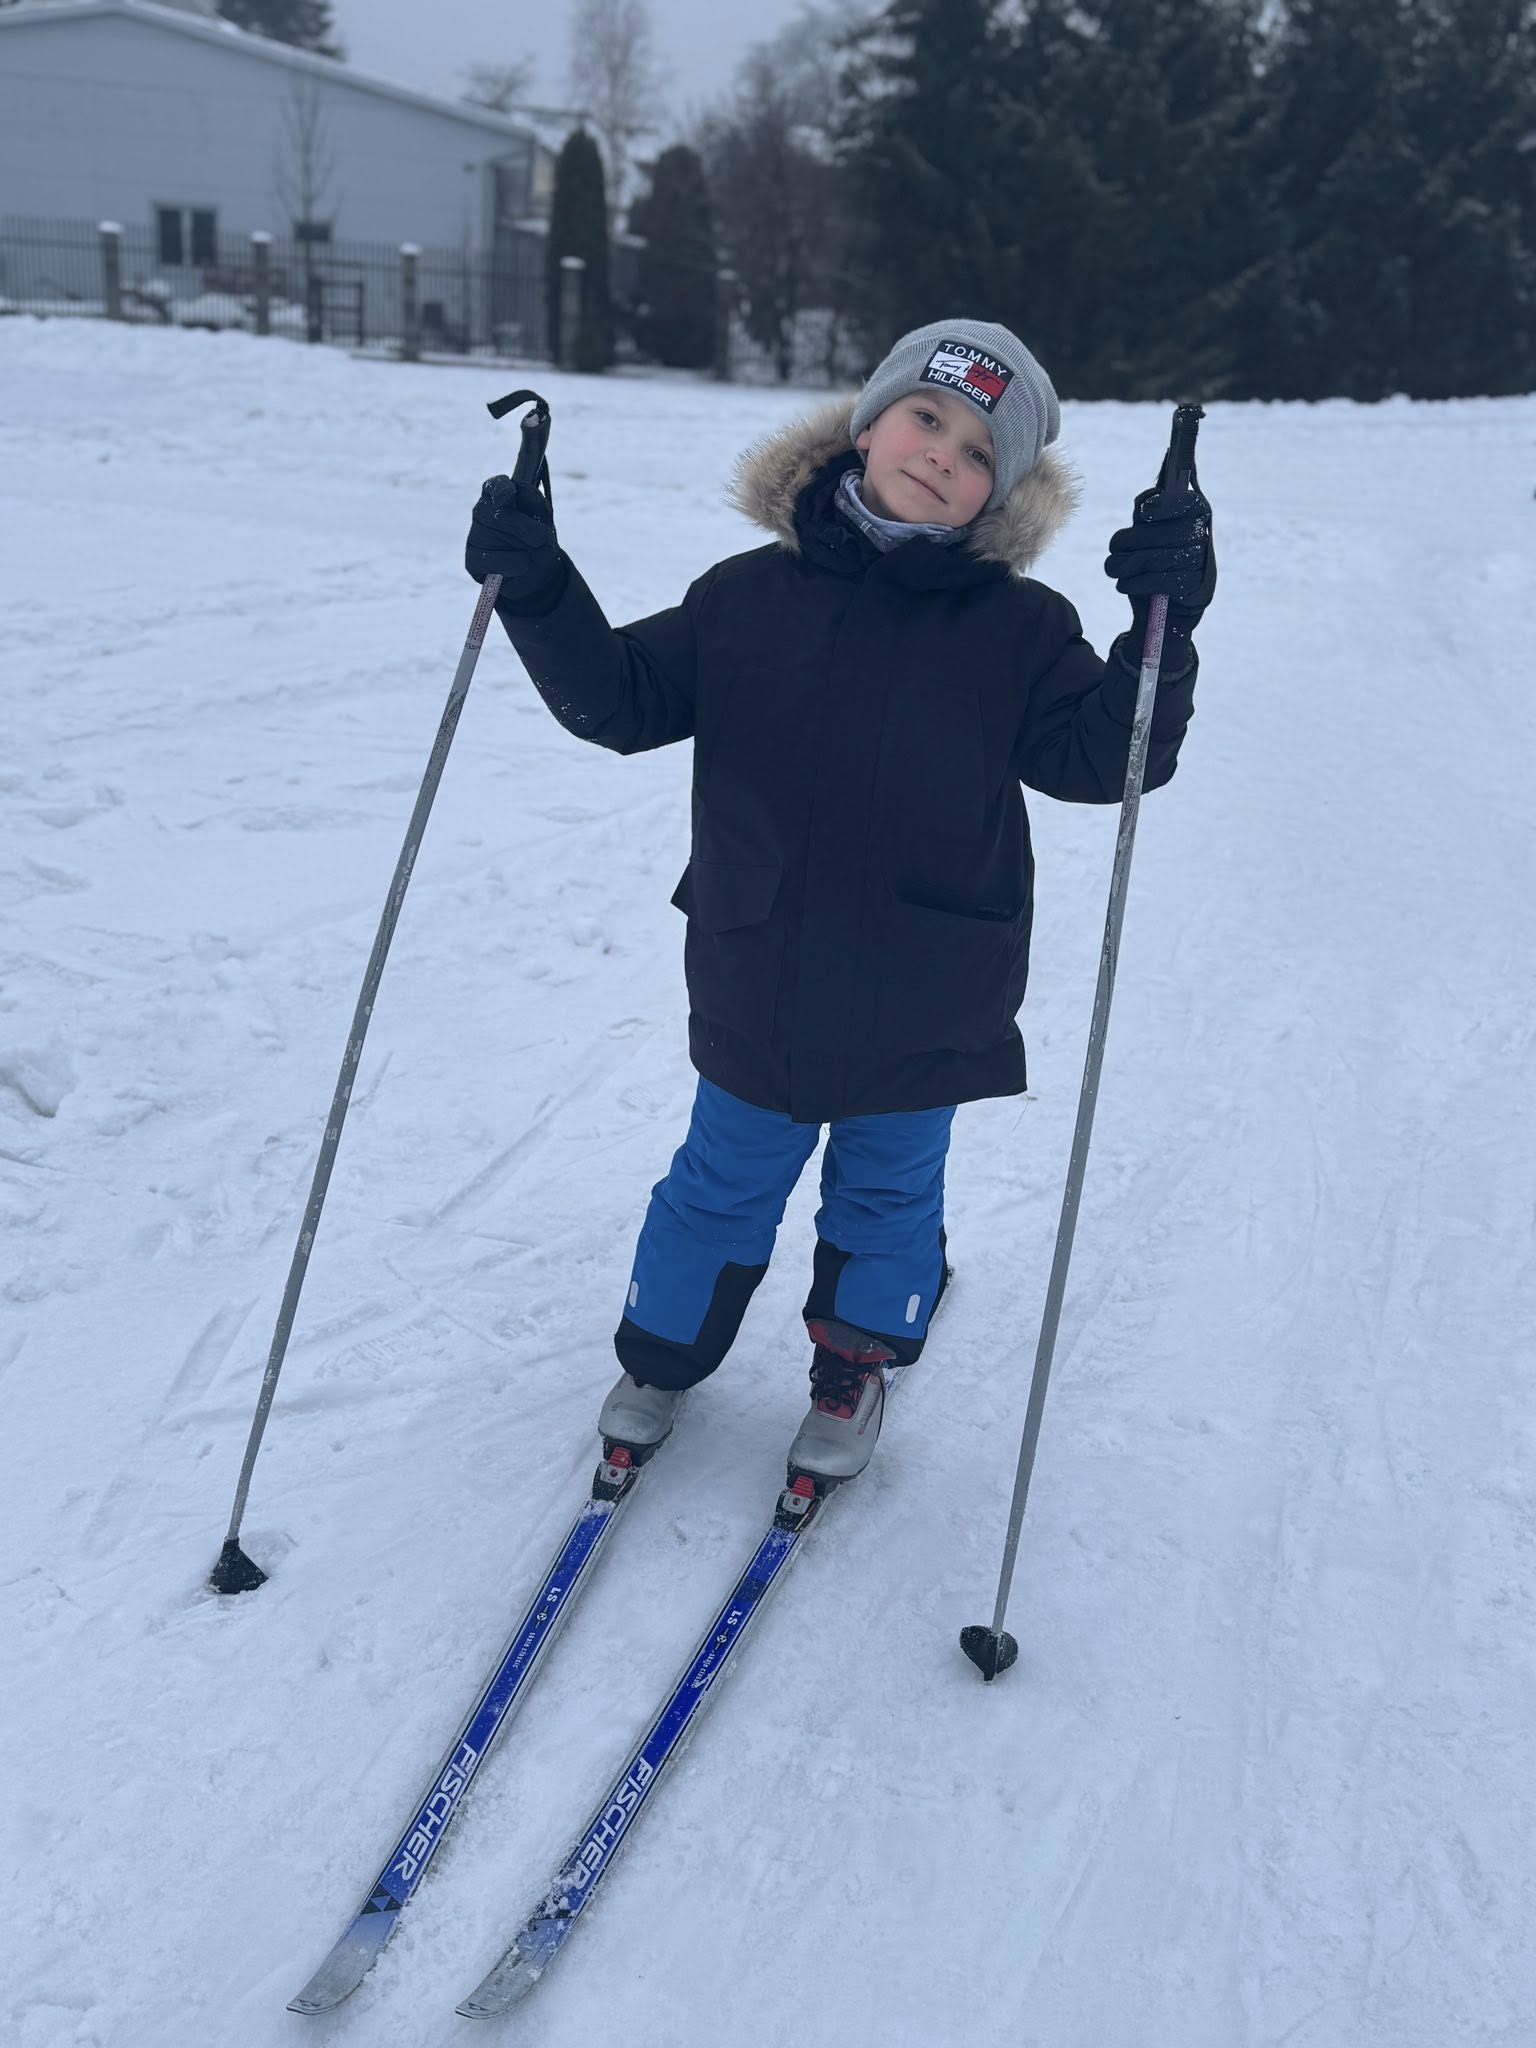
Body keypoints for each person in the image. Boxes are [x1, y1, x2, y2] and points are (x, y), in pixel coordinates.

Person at [464, 318, 1214, 1487]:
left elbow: (1105, 760)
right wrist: (539, 586)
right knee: (720, 1180)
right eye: (927, 417)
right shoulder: (746, 598)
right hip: (758, 964)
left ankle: (854, 1367)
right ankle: (660, 1358)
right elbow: (616, 699)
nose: (943, 454)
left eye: (979, 451)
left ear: (1002, 491)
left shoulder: (1019, 629)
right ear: (867, 424)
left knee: (888, 1190)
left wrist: (1162, 633)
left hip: (930, 990)